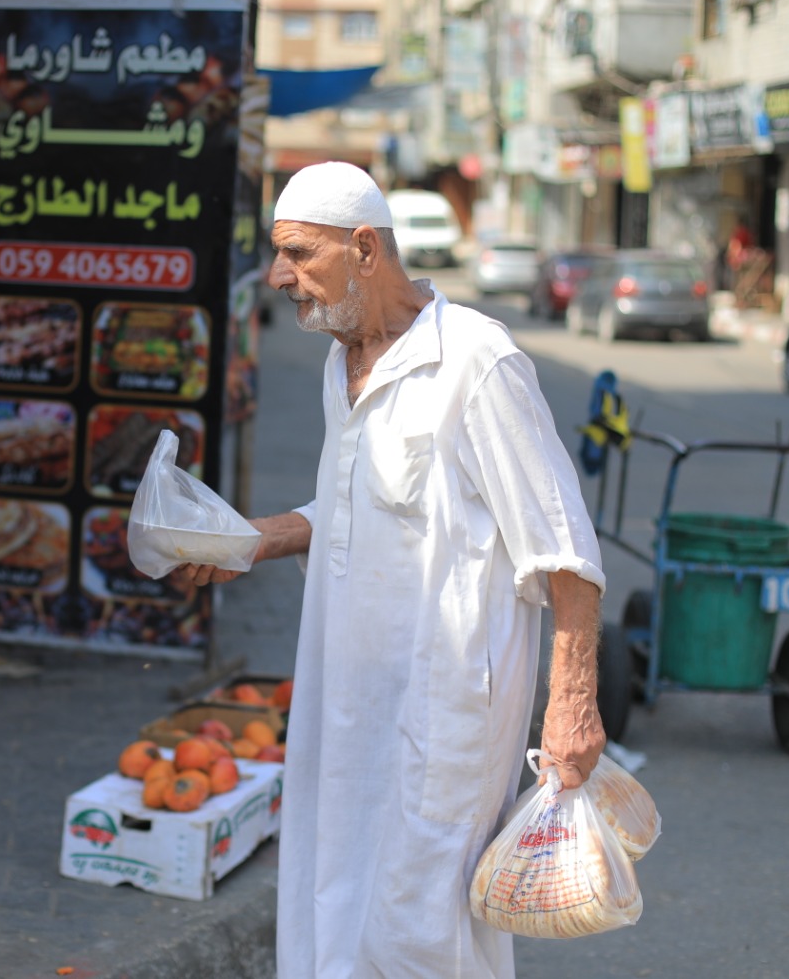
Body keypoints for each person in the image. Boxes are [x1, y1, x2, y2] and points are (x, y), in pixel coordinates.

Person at [179, 162, 607, 979]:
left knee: (422, 932)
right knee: (331, 894)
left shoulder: (477, 362)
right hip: (345, 698)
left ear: (365, 249)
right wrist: (251, 540)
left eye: (299, 254)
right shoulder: (347, 365)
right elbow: (354, 511)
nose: (279, 277)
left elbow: (565, 551)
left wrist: (573, 706)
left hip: (444, 713)